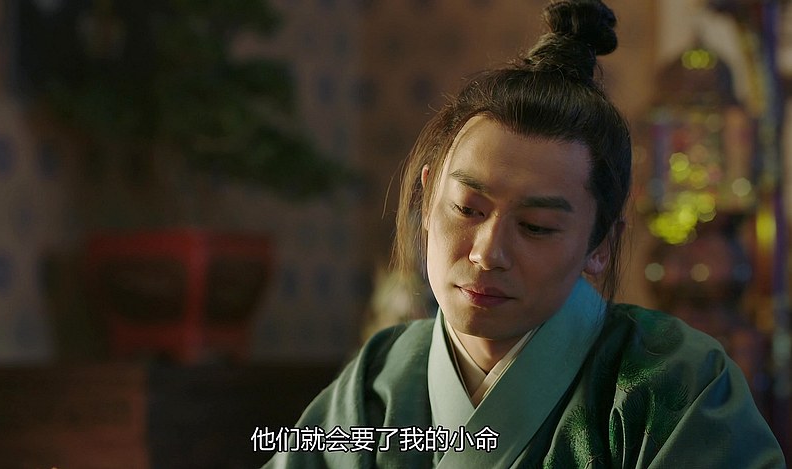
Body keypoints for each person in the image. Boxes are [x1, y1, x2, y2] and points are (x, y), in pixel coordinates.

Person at [262, 0, 785, 466]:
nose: (488, 252)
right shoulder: (377, 384)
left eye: (536, 227)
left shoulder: (677, 387)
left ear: (600, 245)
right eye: (467, 209)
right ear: (427, 198)